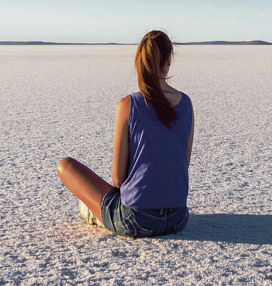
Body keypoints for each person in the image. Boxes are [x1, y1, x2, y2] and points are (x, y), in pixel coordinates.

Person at [56, 30, 194, 238]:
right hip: (178, 218)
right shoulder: (186, 104)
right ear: (168, 60)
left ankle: (99, 215)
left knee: (66, 166)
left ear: (140, 62)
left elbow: (118, 179)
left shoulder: (129, 105)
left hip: (136, 219)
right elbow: (183, 163)